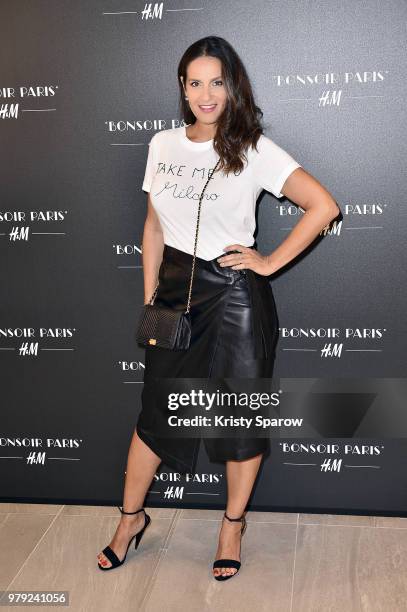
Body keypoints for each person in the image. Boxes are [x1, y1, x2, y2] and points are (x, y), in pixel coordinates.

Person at [97, 35, 339, 580]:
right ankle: (130, 519)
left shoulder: (253, 148)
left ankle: (232, 526)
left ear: (232, 88)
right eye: (194, 82)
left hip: (235, 298)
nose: (206, 94)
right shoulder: (161, 145)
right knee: (156, 418)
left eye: (217, 82)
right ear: (182, 90)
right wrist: (150, 302)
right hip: (176, 294)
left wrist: (269, 262)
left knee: (239, 421)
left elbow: (324, 205)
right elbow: (153, 227)